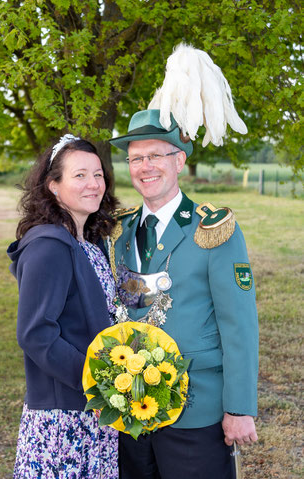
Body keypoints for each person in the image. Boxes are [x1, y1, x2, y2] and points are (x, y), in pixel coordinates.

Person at [108, 109, 259, 476]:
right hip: (133, 411)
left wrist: (239, 409)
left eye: (156, 155)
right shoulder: (121, 231)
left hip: (196, 412)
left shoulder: (213, 230)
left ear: (179, 160)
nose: (146, 166)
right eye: (136, 158)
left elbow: (239, 325)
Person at [7, 135, 119, 478]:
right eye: (80, 175)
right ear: (53, 185)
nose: (93, 184)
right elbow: (36, 334)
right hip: (64, 417)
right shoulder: (49, 246)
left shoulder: (89, 242)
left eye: (98, 175)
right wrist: (98, 383)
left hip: (97, 413)